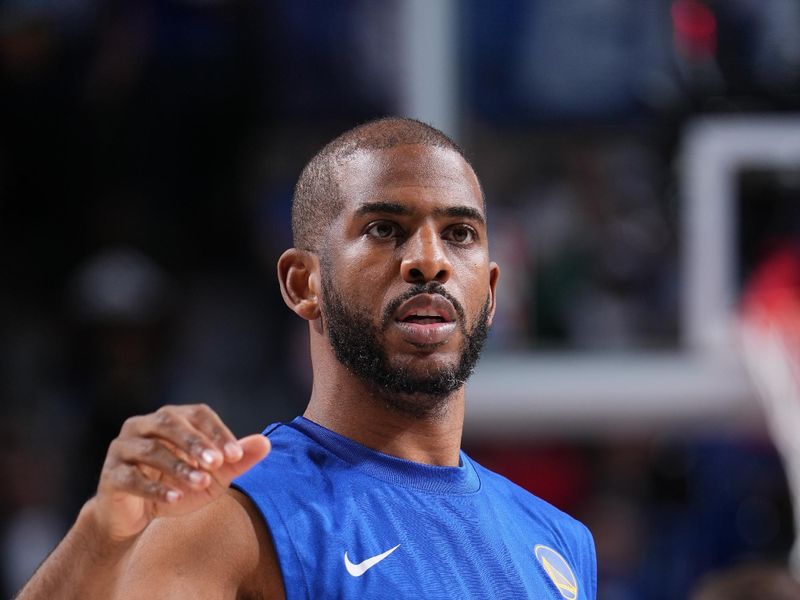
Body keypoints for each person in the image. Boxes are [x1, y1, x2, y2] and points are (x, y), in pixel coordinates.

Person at [17, 117, 597, 599]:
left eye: (460, 234)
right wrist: (100, 534)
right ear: (303, 283)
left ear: (491, 292)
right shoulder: (234, 519)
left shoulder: (560, 542)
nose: (429, 260)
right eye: (384, 228)